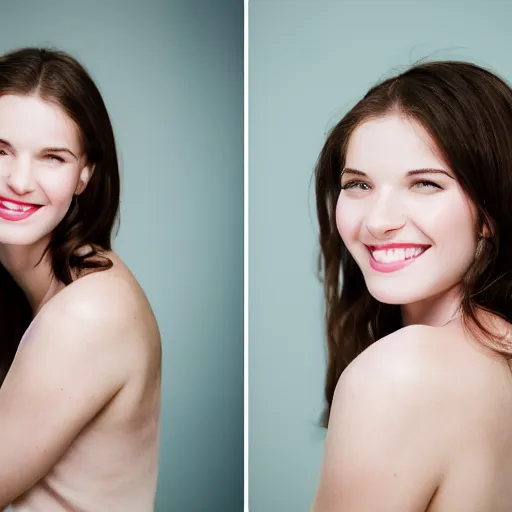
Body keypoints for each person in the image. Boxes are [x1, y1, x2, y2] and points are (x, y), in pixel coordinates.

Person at [312, 60, 512, 511]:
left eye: (424, 184)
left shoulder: (399, 374)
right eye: (358, 184)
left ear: (490, 212)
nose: (379, 221)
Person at [0, 48, 161, 511]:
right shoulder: (39, 283)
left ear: (85, 174)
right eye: (0, 150)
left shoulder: (88, 312)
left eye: (52, 157)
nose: (20, 179)